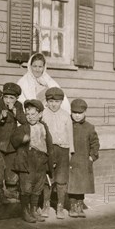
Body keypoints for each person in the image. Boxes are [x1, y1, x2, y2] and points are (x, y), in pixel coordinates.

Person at [10, 99, 54, 223]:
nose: (30, 117)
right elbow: (13, 139)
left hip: (41, 161)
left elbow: (49, 144)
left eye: (33, 114)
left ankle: (34, 210)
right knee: (26, 188)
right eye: (27, 114)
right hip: (27, 161)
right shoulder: (23, 127)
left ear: (40, 115)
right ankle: (25, 211)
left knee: (38, 188)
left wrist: (51, 159)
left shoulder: (44, 127)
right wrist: (21, 139)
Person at [0, 82, 26, 203]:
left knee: (11, 166)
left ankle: (11, 190)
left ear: (17, 98)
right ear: (2, 96)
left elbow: (24, 121)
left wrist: (15, 112)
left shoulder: (18, 105)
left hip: (11, 142)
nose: (8, 100)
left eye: (12, 98)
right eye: (6, 97)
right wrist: (1, 117)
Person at [41, 87, 74, 219]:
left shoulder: (66, 115)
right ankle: (45, 205)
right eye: (51, 101)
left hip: (63, 150)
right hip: (48, 150)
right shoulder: (43, 114)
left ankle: (60, 206)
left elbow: (70, 135)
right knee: (48, 179)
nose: (54, 104)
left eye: (57, 101)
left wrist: (71, 151)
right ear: (47, 102)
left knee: (61, 180)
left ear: (61, 102)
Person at [67, 99, 100, 218]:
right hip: (71, 160)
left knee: (82, 185)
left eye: (79, 113)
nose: (76, 115)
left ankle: (79, 206)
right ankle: (72, 206)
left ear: (85, 112)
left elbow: (95, 143)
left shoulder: (89, 127)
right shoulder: (67, 124)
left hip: (84, 161)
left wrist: (92, 156)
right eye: (74, 112)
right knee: (72, 185)